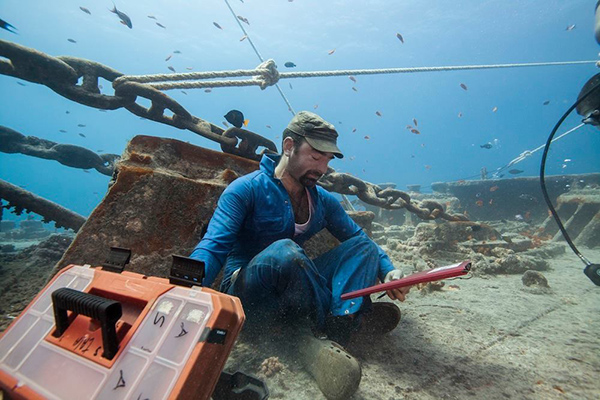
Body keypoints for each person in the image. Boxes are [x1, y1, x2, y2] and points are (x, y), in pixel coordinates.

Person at [190, 111, 410, 400]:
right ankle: (337, 323)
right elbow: (213, 245)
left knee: (363, 247)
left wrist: (389, 272)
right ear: (289, 146)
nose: (322, 168)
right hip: (248, 294)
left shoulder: (323, 201)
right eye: (315, 156)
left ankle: (336, 325)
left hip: (295, 290)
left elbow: (358, 238)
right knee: (286, 251)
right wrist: (183, 287)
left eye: (328, 160)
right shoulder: (244, 190)